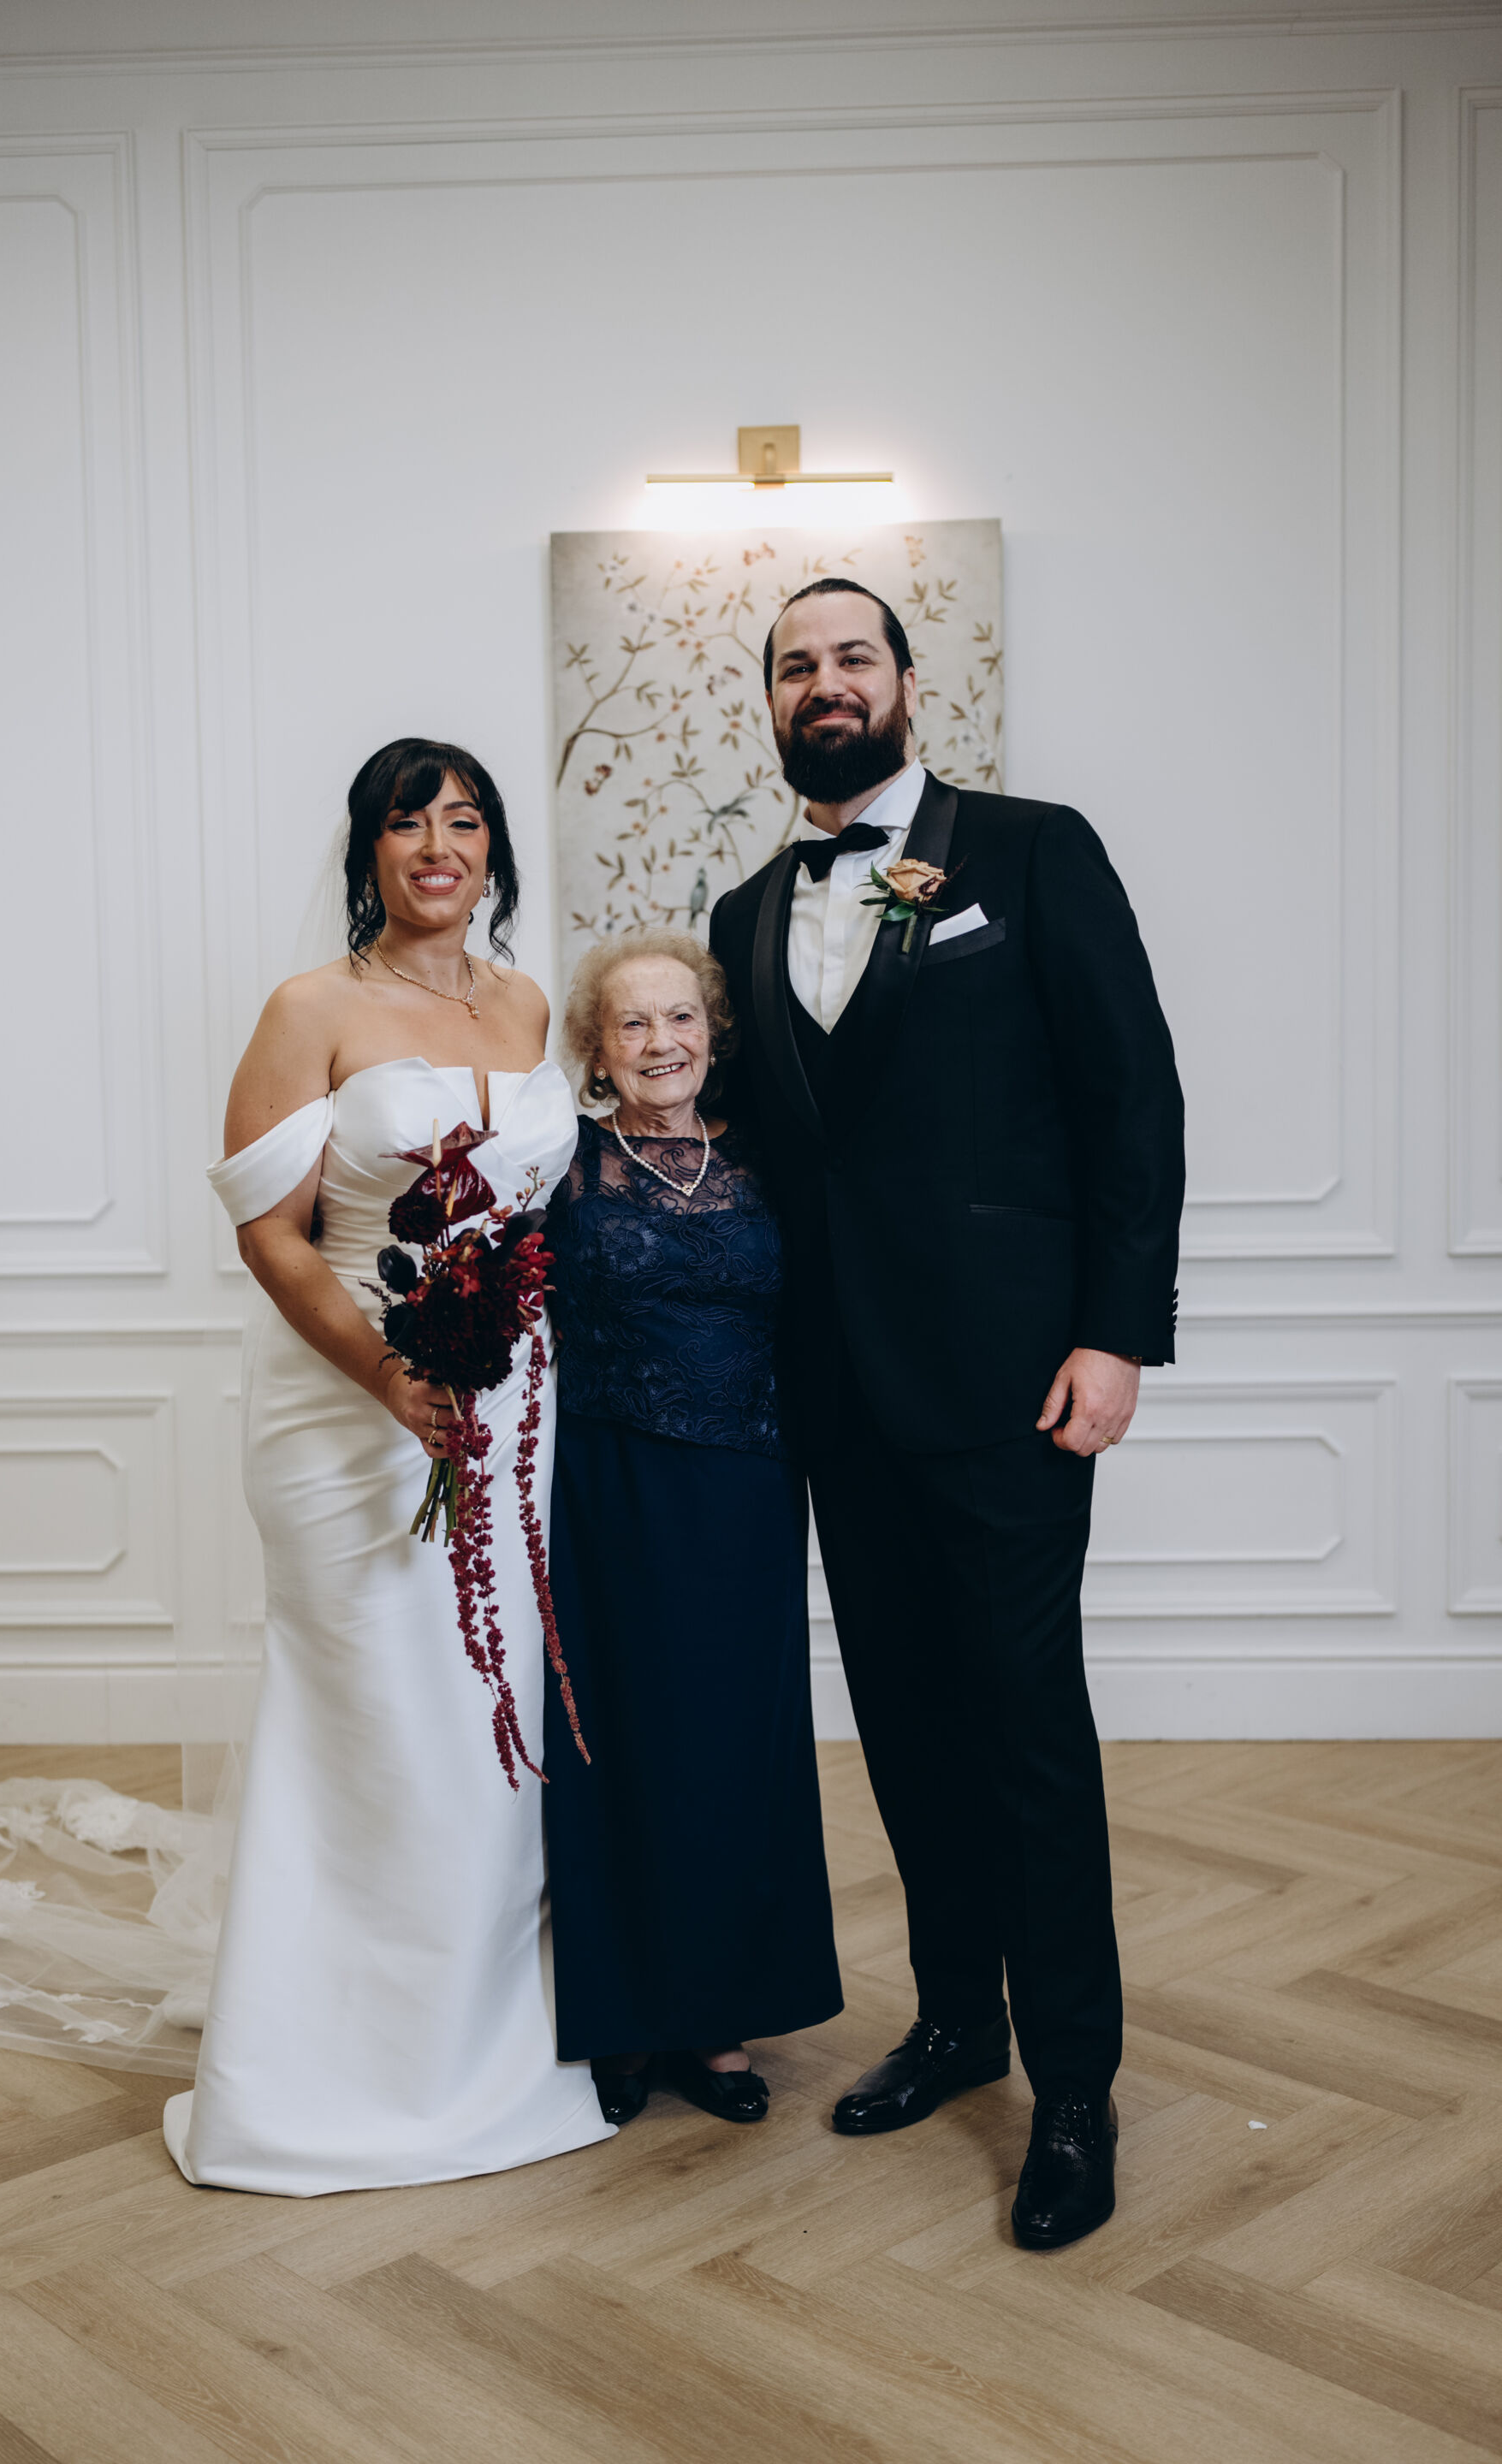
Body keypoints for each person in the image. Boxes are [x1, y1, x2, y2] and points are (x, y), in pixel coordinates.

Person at [708, 578, 1185, 2248]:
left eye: (853, 655)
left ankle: (1074, 2088)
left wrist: (1117, 1336)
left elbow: (1133, 1099)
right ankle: (958, 2020)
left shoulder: (1035, 853)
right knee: (907, 1727)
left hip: (1012, 1386)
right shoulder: (744, 914)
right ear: (774, 705)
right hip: (835, 1398)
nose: (825, 682)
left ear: (909, 682)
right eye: (796, 666)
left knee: (1026, 1731)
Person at [163, 737, 614, 2194]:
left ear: (494, 853)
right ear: (369, 851)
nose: (438, 846)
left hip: (514, 1408)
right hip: (346, 1406)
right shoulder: (311, 1009)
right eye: (408, 822)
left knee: (486, 1719)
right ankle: (323, 2067)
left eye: (464, 821)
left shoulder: (527, 1003)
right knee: (372, 1714)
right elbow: (270, 1233)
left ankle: (486, 2043)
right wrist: (387, 1374)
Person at [540, 931, 842, 2127]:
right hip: (607, 1491)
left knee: (727, 1748)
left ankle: (717, 2019)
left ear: (714, 1035)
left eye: (681, 1018)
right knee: (615, 1741)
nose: (660, 1042)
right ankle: (624, 2018)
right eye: (632, 1023)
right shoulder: (561, 1162)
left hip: (747, 1495)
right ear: (595, 1049)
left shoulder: (771, 1156)